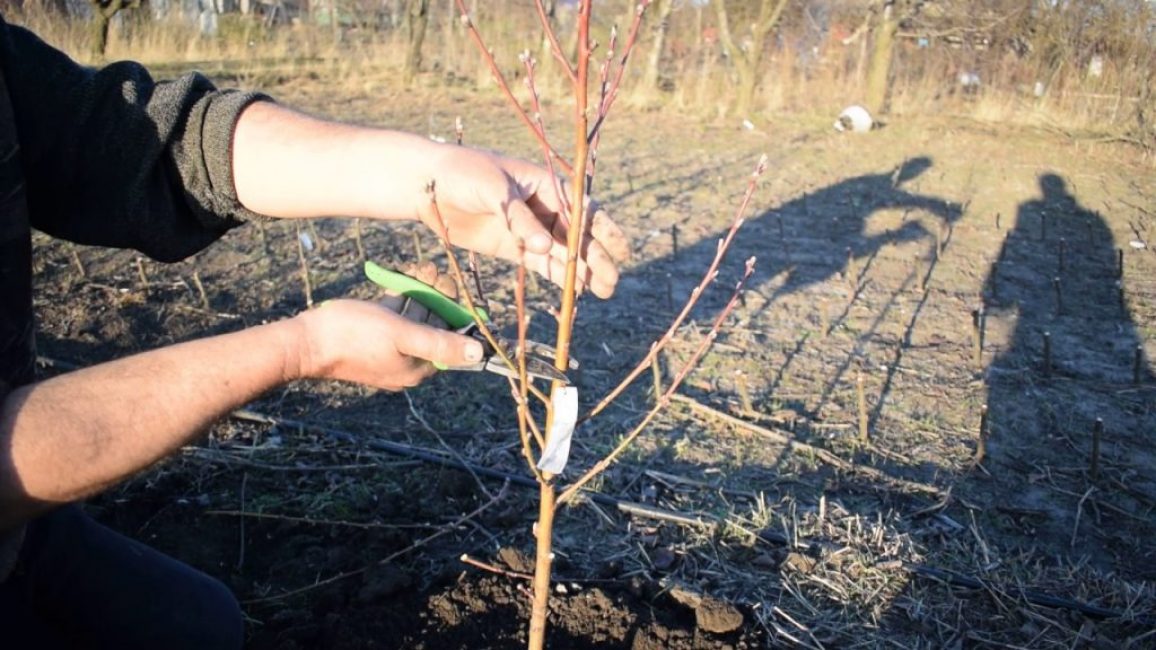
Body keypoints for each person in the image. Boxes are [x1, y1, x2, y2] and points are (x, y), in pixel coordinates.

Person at [0, 13, 627, 649]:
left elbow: (153, 145)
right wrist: (303, 347)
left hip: (26, 533)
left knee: (204, 625)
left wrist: (431, 177)